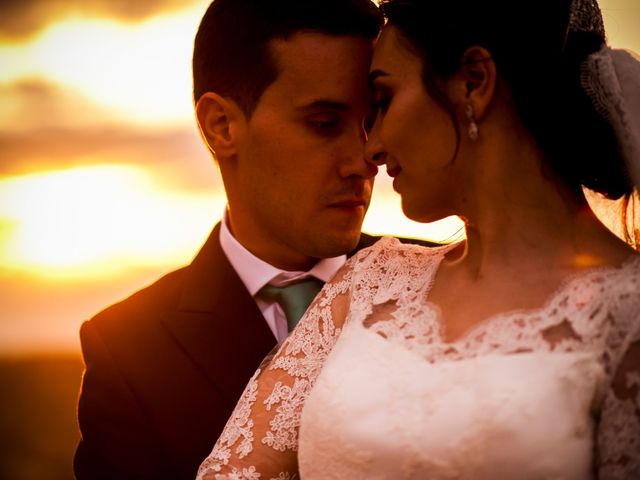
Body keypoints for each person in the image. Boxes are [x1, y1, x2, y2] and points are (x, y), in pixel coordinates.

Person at [197, 0, 640, 478]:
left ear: (474, 80)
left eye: (383, 101)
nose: (372, 148)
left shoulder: (628, 311)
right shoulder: (371, 282)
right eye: (328, 124)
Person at [72, 1, 436, 478]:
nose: (364, 158)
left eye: (371, 121)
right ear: (221, 125)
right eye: (324, 124)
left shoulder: (445, 277)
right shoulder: (127, 348)